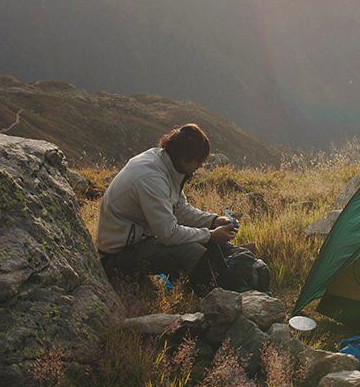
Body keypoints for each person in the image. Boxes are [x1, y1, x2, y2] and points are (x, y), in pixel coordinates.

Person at [97, 123, 249, 293]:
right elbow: (168, 234)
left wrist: (213, 220)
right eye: (197, 162)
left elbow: (180, 209)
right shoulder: (151, 177)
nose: (199, 167)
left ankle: (229, 290)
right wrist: (211, 235)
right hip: (118, 254)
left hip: (139, 239)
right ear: (184, 158)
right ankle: (214, 302)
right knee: (193, 251)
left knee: (203, 243)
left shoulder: (167, 165)